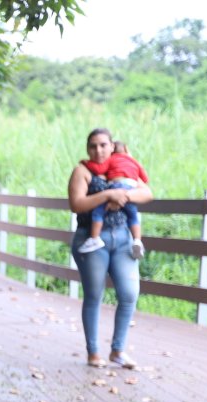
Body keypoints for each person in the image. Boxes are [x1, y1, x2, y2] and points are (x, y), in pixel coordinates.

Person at [69, 128, 153, 369]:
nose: (98, 150)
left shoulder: (121, 165)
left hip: (123, 237)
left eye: (103, 145)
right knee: (94, 294)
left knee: (129, 294)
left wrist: (124, 195)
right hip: (92, 239)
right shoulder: (82, 171)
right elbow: (76, 204)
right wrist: (108, 195)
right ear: (87, 148)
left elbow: (147, 193)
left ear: (112, 145)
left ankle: (118, 350)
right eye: (93, 145)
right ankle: (93, 352)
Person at [78, 140, 149, 259]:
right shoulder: (133, 161)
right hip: (131, 189)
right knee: (133, 216)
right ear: (126, 149)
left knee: (98, 212)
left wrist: (86, 163)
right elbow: (145, 178)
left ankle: (94, 238)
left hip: (117, 186)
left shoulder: (112, 159)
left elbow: (99, 169)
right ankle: (137, 241)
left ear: (112, 149)